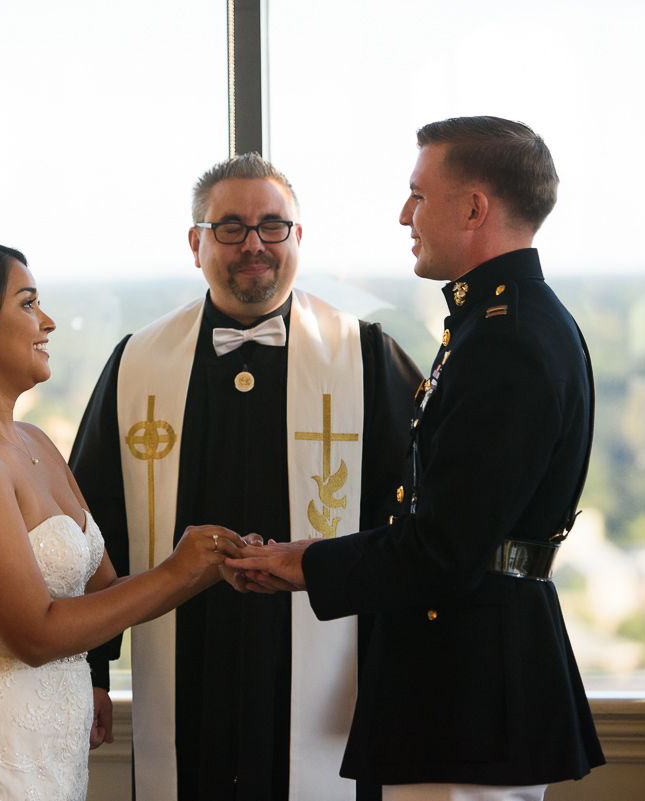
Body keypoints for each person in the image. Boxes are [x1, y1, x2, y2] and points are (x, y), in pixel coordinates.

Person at [229, 117, 606, 800]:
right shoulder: (500, 321)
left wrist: (307, 562)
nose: (405, 214)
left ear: (473, 207)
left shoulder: (506, 340)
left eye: (418, 195)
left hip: (467, 688)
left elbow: (444, 548)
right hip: (468, 675)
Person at [69, 155, 422, 800]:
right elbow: (94, 525)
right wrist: (91, 668)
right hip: (186, 663)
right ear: (195, 243)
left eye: (273, 225)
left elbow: (417, 526)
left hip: (328, 667)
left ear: (298, 238)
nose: (253, 243)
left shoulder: (367, 357)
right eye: (229, 227)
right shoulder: (136, 362)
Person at [0, 240, 243, 800]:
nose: (47, 322)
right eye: (28, 303)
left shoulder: (34, 442)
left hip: (51, 746)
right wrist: (176, 572)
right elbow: (34, 634)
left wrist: (208, 565)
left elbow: (106, 593)